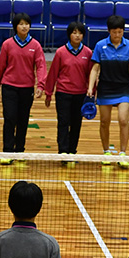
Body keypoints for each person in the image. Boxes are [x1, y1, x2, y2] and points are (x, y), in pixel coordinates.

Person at [0, 13, 46, 164]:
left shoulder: (35, 45)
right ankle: (7, 151)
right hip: (9, 87)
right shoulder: (7, 44)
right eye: (21, 24)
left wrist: (40, 85)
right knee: (9, 119)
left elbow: (41, 66)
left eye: (27, 23)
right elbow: (1, 66)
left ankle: (20, 150)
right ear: (15, 26)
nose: (24, 26)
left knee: (23, 120)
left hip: (26, 88)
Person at [87, 14, 129, 169]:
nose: (117, 35)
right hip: (105, 88)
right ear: (109, 31)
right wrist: (90, 87)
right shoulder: (100, 46)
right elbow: (95, 69)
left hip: (123, 88)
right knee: (104, 121)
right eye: (114, 32)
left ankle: (123, 153)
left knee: (123, 119)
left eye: (120, 32)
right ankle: (106, 151)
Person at [41, 22, 93, 163]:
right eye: (74, 32)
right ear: (69, 34)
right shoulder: (60, 52)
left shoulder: (88, 53)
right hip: (63, 93)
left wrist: (93, 93)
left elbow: (91, 74)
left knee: (76, 124)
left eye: (80, 33)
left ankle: (72, 152)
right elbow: (53, 74)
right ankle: (63, 152)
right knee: (63, 123)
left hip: (80, 94)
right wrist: (48, 93)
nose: (77, 35)